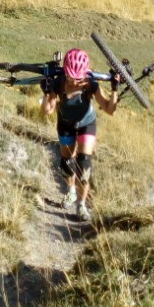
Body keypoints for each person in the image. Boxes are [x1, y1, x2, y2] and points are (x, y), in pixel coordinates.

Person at [40, 47, 120, 221]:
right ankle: (71, 192)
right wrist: (46, 93)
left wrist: (114, 89)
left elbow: (110, 109)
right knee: (67, 164)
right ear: (65, 73)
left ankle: (82, 205)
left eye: (78, 78)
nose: (75, 82)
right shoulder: (59, 83)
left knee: (84, 164)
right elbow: (47, 111)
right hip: (65, 123)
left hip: (86, 123)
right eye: (71, 77)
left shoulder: (91, 84)